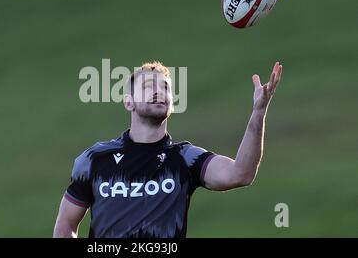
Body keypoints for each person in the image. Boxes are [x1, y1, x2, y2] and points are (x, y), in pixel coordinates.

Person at [54, 61, 283, 238]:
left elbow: (240, 174)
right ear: (128, 102)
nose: (159, 92)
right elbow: (66, 226)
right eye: (148, 87)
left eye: (165, 88)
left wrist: (258, 112)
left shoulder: (185, 158)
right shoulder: (96, 159)